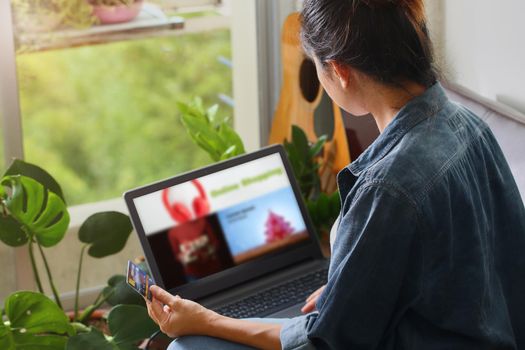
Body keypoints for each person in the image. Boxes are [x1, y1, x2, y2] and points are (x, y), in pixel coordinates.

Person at [146, 0, 525, 349]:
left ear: (340, 72)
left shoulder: (388, 187)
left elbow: (324, 342)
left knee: (187, 346)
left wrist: (207, 320)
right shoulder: (469, 125)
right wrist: (352, 285)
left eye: (317, 66)